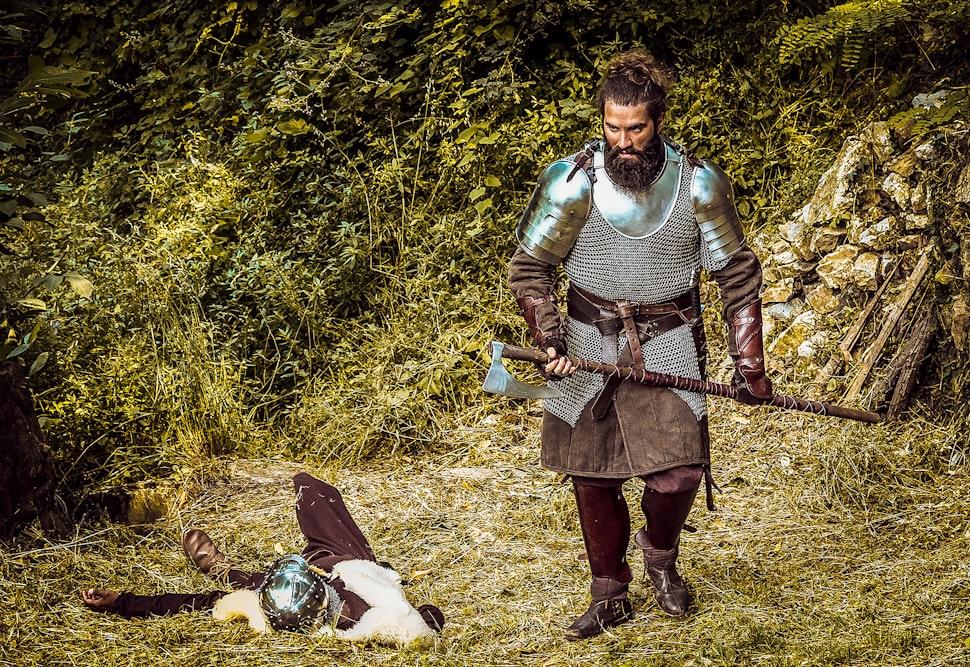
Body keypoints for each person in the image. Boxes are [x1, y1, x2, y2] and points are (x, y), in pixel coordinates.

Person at [507, 48, 772, 640]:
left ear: (658, 122)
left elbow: (737, 273)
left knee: (676, 475)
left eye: (635, 128)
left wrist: (749, 359)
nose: (622, 142)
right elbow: (529, 270)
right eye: (612, 128)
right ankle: (609, 593)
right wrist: (548, 334)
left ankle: (660, 554)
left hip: (666, 340)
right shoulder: (572, 183)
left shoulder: (699, 184)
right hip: (586, 343)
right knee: (593, 475)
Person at [82, 472, 445, 645]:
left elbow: (190, 604)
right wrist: (419, 616)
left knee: (237, 587)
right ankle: (229, 570)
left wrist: (122, 602)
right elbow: (429, 615)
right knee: (313, 490)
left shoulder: (276, 606)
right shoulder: (371, 608)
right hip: (346, 564)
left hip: (326, 567)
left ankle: (223, 570)